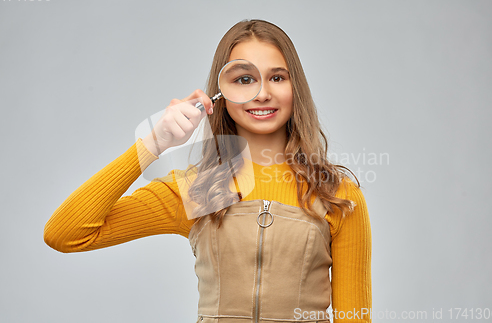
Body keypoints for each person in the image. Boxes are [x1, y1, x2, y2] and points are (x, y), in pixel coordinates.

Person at [44, 19, 372, 323]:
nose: (262, 92)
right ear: (222, 95)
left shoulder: (336, 195)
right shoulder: (199, 190)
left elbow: (354, 318)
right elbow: (66, 234)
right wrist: (154, 142)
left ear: (295, 87)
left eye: (277, 77)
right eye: (244, 79)